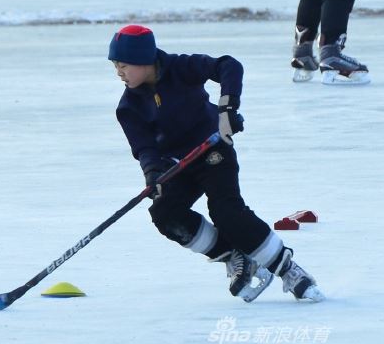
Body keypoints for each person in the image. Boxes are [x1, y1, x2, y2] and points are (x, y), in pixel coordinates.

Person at [109, 24, 324, 302]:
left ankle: (288, 269)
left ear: (144, 60)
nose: (119, 73)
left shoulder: (181, 68)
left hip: (212, 150)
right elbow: (144, 148)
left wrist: (227, 109)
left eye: (124, 65)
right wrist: (153, 174)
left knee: (226, 213)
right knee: (164, 213)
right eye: (115, 66)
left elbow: (228, 66)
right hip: (178, 165)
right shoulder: (128, 107)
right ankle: (233, 256)